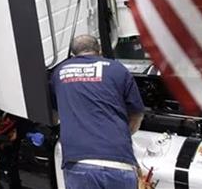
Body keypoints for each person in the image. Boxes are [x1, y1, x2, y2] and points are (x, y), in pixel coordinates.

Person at [50, 35, 145, 189]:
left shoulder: (58, 73)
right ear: (99, 49)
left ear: (73, 53)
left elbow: (55, 115)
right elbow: (137, 113)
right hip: (119, 162)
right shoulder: (117, 69)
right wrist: (124, 136)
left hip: (78, 162)